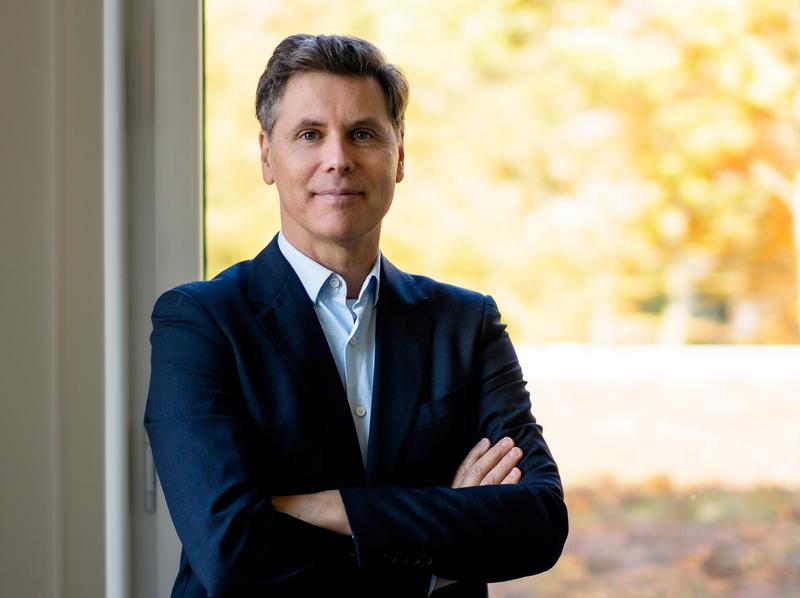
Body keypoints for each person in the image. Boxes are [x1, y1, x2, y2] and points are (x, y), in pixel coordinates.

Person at [145, 33, 567, 598]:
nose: (338, 159)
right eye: (309, 135)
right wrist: (437, 547)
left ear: (399, 155)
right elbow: (230, 552)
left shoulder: (467, 325)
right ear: (267, 156)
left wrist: (330, 509)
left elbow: (539, 522)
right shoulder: (199, 323)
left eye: (363, 134)